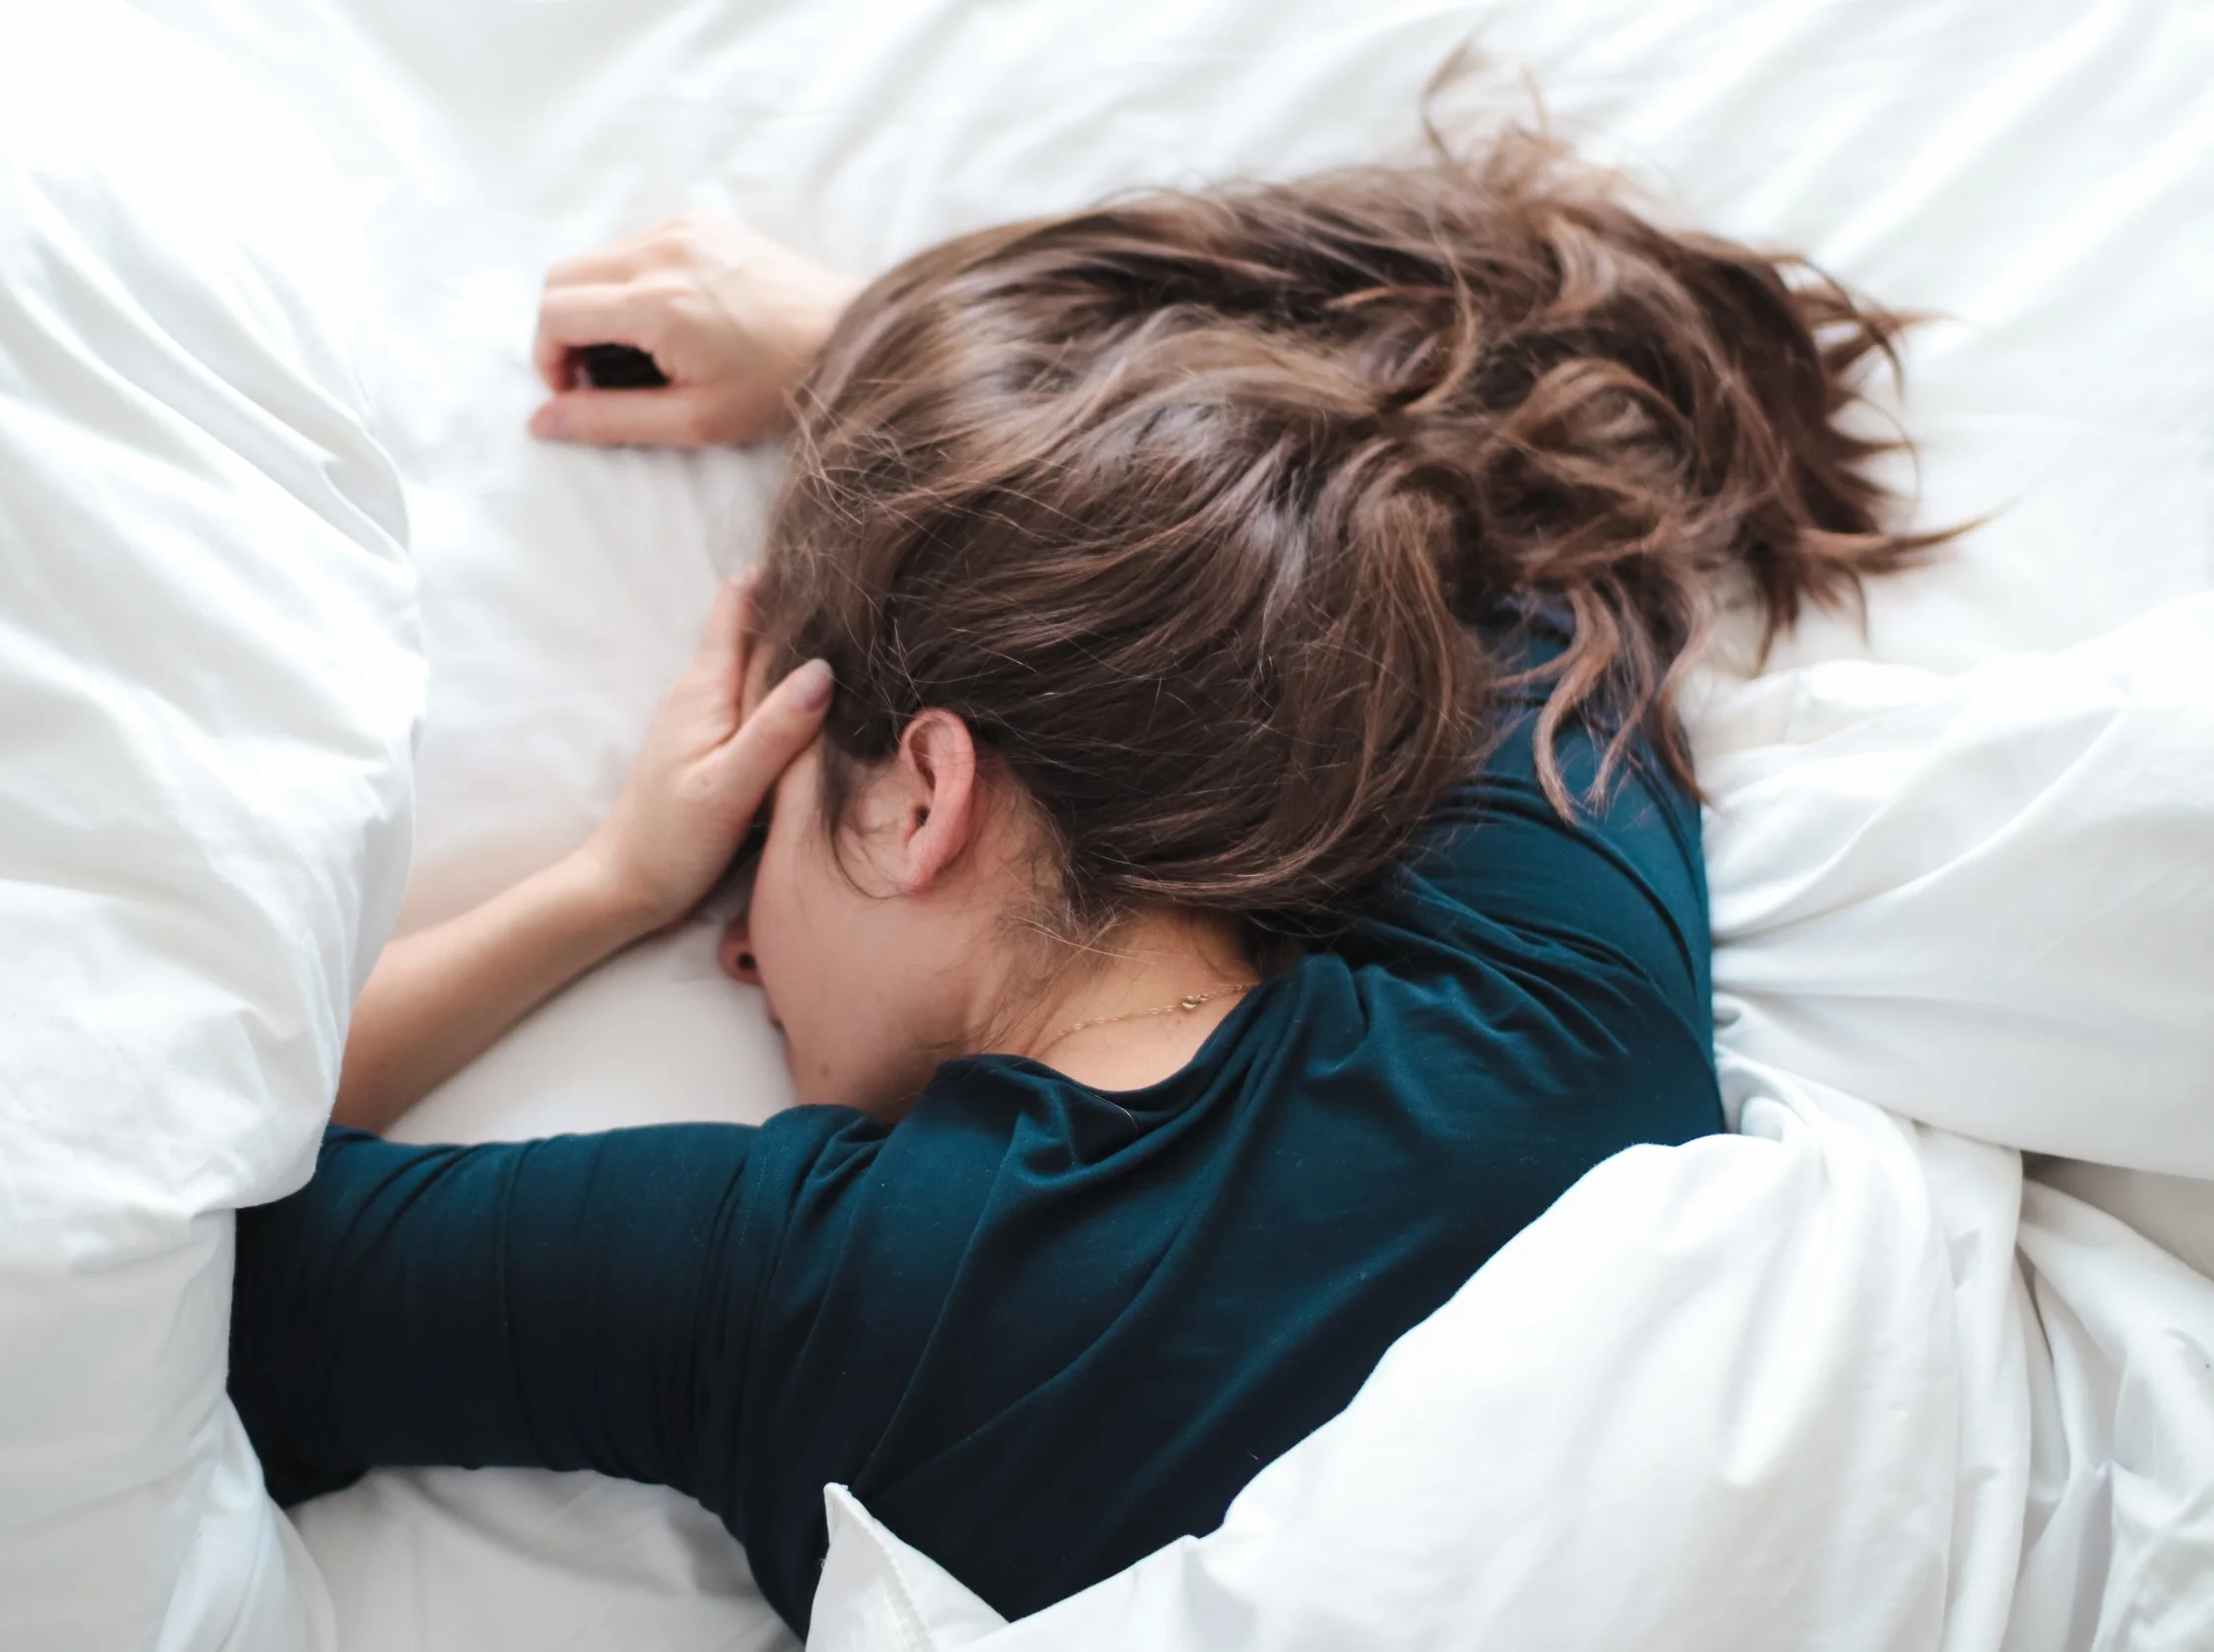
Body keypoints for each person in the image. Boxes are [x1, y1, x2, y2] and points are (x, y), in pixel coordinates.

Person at [229, 133, 1938, 1634]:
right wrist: (878, 347)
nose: (734, 945)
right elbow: (1485, 476)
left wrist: (605, 883)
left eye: (756, 848)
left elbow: (201, 1234)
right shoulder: (1543, 1006)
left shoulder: (805, 1296)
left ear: (922, 798)